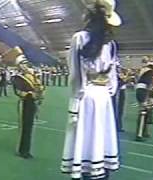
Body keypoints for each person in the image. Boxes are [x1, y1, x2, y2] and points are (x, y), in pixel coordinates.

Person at [61, 0, 121, 179]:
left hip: (87, 96)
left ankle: (86, 168)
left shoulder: (79, 38)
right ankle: (99, 168)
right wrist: (106, 91)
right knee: (101, 136)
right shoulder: (111, 44)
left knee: (84, 138)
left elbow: (76, 76)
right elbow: (113, 80)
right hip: (103, 97)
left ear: (89, 16)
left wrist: (75, 103)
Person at [12, 51, 45, 159]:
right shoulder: (17, 77)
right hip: (24, 102)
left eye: (26, 63)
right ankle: (22, 150)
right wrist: (31, 94)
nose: (25, 66)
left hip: (32, 103)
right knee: (24, 127)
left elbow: (39, 86)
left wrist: (40, 90)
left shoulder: (32, 75)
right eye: (22, 64)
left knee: (30, 127)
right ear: (19, 66)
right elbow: (18, 91)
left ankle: (27, 149)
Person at [134, 61, 153, 141]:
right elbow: (149, 85)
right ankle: (139, 134)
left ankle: (144, 132)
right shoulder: (150, 72)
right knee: (143, 113)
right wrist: (150, 98)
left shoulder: (144, 71)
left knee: (145, 112)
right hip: (143, 91)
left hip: (140, 91)